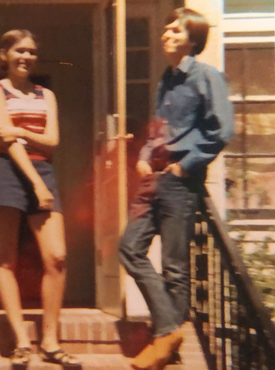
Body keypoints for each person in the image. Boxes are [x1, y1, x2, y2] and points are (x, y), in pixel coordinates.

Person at [118, 8, 235, 370]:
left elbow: (222, 130)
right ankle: (170, 330)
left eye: (174, 29)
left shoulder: (206, 76)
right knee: (129, 247)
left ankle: (166, 346)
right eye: (166, 28)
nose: (166, 33)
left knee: (174, 266)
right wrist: (144, 153)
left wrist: (186, 164)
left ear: (192, 39)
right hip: (155, 177)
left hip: (181, 180)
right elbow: (160, 129)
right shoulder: (166, 80)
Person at [0, 29, 80, 367]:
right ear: (5, 55)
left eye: (31, 52)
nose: (25, 57)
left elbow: (52, 141)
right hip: (6, 171)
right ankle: (22, 343)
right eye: (19, 51)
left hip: (44, 171)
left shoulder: (46, 95)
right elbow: (6, 142)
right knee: (6, 259)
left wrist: (22, 130)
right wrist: (36, 183)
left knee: (56, 257)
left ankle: (51, 342)